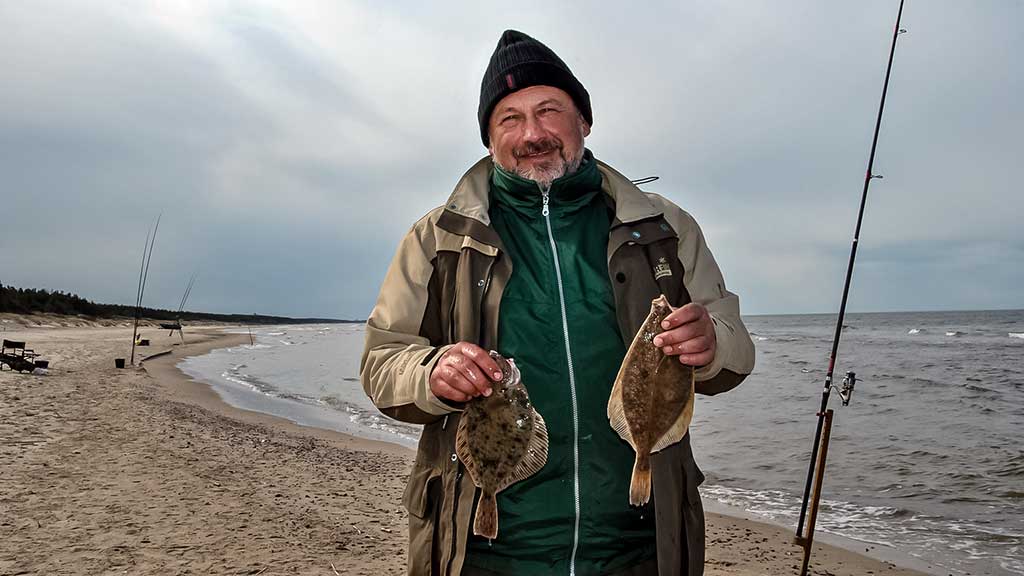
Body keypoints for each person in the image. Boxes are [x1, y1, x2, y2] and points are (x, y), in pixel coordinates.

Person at [361, 30, 755, 576]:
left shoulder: (663, 229)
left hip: (641, 544)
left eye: (549, 110)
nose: (532, 134)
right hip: (483, 551)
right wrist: (431, 372)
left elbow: (736, 349)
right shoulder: (439, 240)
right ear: (489, 137)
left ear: (583, 123)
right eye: (510, 118)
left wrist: (710, 344)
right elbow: (383, 363)